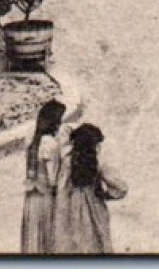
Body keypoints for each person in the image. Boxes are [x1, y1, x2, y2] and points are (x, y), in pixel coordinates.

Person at [53, 123, 127, 255]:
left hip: (72, 207)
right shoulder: (98, 162)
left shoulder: (68, 161)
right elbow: (121, 187)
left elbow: (61, 188)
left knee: (76, 244)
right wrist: (106, 195)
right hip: (94, 206)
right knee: (96, 241)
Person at [20, 99, 67, 254]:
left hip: (32, 195)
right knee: (47, 237)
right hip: (46, 197)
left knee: (32, 235)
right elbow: (53, 179)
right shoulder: (50, 145)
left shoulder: (32, 137)